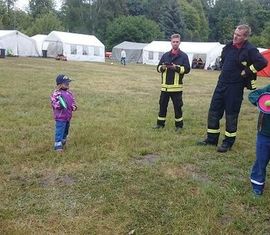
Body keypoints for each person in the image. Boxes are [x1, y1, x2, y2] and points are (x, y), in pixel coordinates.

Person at [197, 24, 268, 152]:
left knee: (231, 114)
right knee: (214, 111)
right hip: (222, 83)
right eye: (235, 33)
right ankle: (211, 139)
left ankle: (228, 142)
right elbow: (224, 61)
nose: (235, 37)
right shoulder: (228, 47)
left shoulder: (250, 49)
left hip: (235, 87)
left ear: (245, 37)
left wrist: (247, 71)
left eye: (239, 35)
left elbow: (262, 62)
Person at [153, 33, 190, 132]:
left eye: (177, 42)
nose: (175, 43)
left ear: (180, 42)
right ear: (171, 42)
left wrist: (176, 68)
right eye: (173, 42)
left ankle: (179, 126)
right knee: (162, 106)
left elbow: (187, 69)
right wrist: (163, 67)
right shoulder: (165, 55)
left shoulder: (183, 56)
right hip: (164, 88)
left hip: (176, 88)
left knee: (178, 108)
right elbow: (158, 68)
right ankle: (160, 124)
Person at [248, 85, 270, 196]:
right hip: (265, 134)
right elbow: (253, 94)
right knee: (261, 160)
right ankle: (257, 185)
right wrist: (261, 101)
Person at [50, 74, 77, 151]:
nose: (68, 84)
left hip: (68, 116)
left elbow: (72, 101)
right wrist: (61, 105)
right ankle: (57, 144)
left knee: (66, 129)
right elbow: (54, 104)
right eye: (66, 83)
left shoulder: (69, 93)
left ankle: (63, 140)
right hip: (60, 117)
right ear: (60, 84)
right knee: (60, 129)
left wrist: (74, 106)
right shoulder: (56, 93)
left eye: (68, 83)